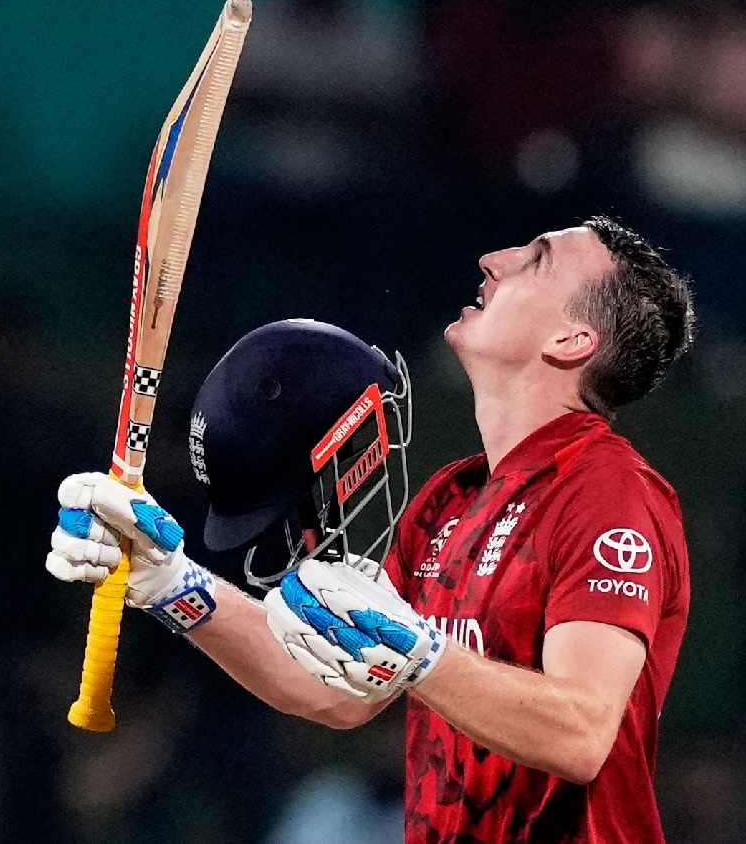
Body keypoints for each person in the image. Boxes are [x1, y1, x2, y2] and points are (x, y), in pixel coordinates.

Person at [48, 216, 694, 842]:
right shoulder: (451, 499)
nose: (493, 260)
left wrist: (424, 658)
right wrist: (169, 581)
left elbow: (581, 735)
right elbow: (335, 693)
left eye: (536, 260)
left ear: (570, 341)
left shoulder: (607, 489)